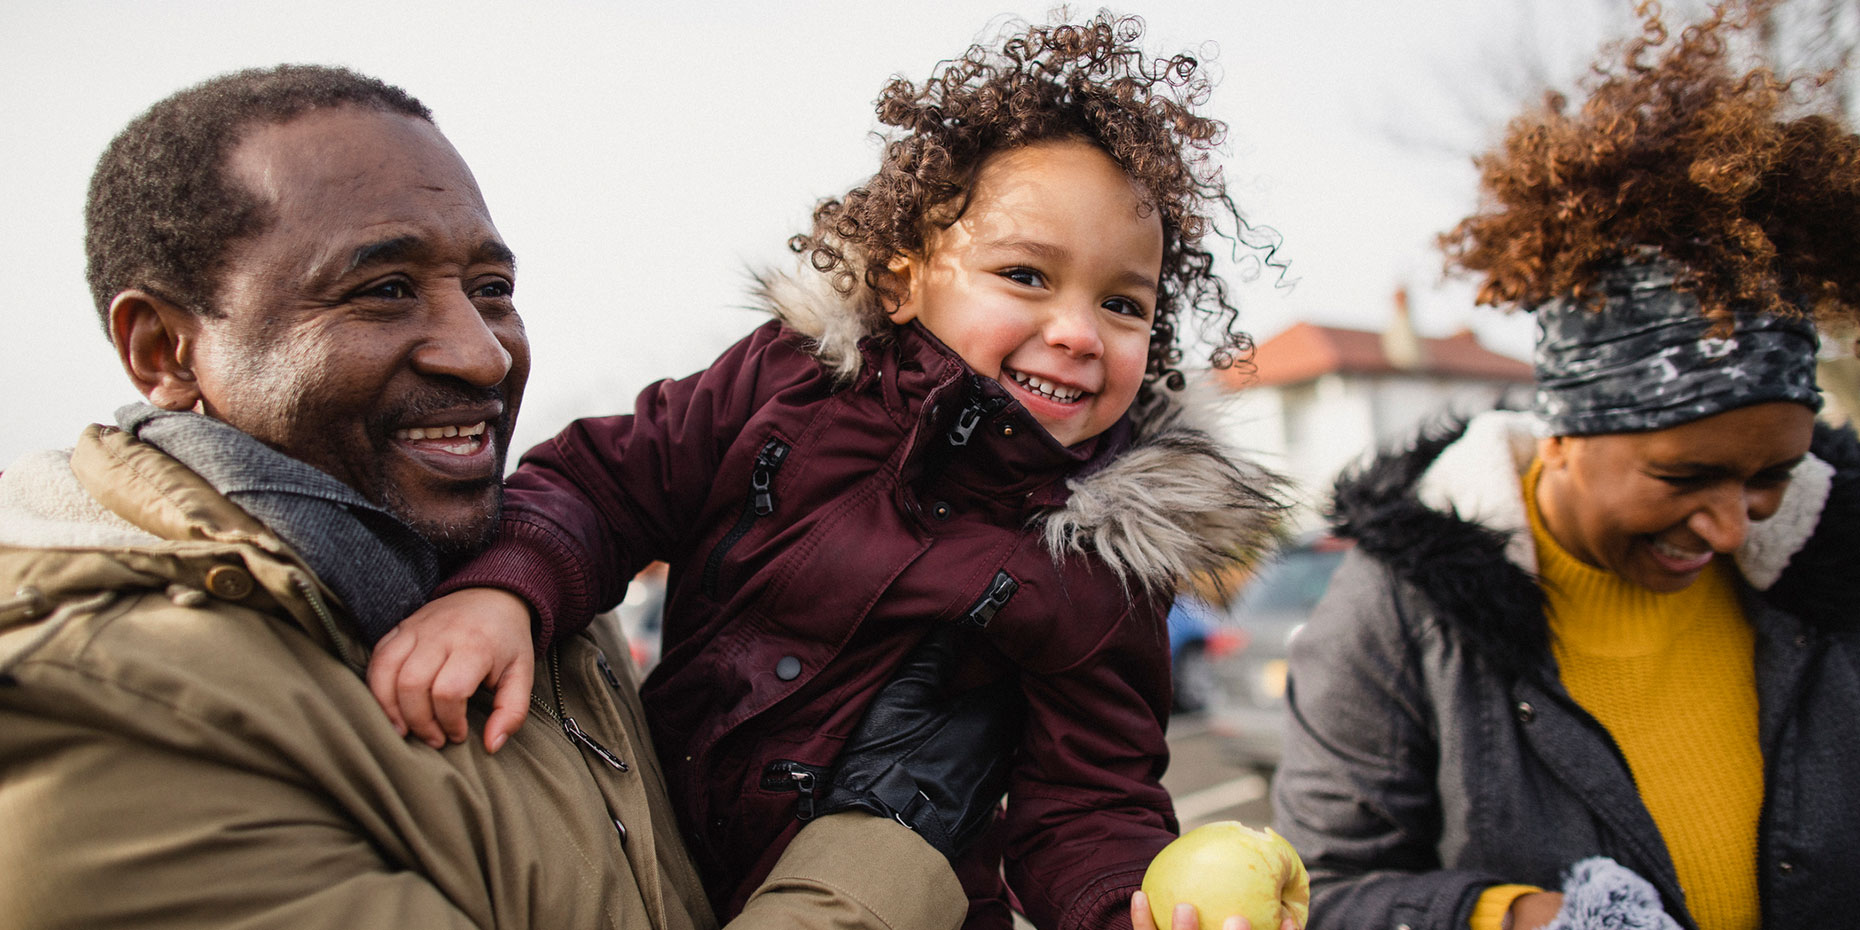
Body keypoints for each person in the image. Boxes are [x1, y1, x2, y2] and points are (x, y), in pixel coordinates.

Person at [0, 63, 1015, 930]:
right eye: (383, 289)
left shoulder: (503, 586)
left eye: (491, 287)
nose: (483, 355)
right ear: (163, 349)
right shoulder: (99, 716)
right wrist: (885, 844)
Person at [369, 13, 1291, 930]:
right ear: (902, 279)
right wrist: (507, 592)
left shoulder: (1101, 560)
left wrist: (1125, 910)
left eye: (1122, 302)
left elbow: (1091, 805)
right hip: (655, 872)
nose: (1079, 332)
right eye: (1026, 275)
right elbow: (602, 484)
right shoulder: (786, 382)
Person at [1270, 4, 1860, 929]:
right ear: (1565, 436)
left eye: (1768, 477)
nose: (1732, 525)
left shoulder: (1835, 570)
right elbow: (1322, 891)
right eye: (1684, 477)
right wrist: (1511, 918)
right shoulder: (1401, 608)